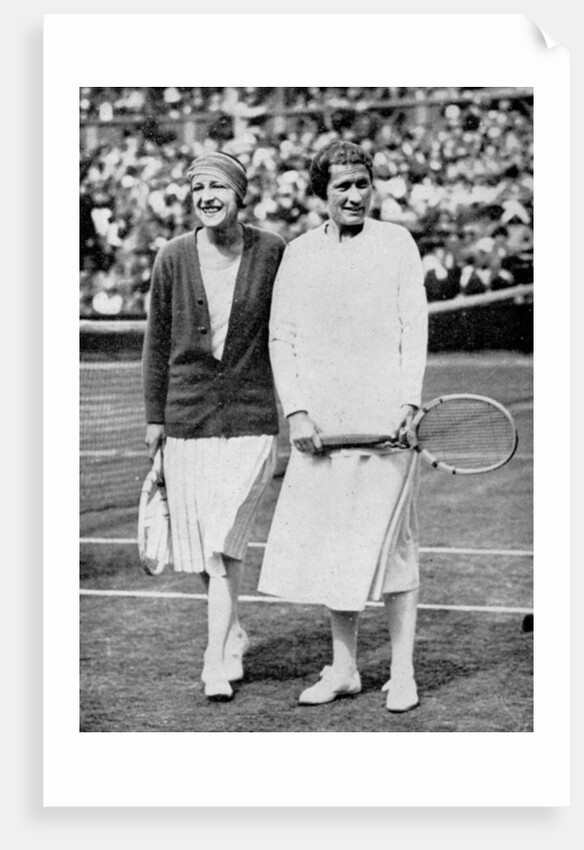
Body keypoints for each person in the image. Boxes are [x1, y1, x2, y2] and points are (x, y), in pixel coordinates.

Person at [259, 140, 428, 712]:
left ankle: (402, 673)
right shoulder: (301, 254)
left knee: (394, 550)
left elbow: (414, 325)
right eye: (342, 187)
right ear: (322, 195)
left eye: (362, 184)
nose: (354, 196)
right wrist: (297, 410)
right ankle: (346, 667)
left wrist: (409, 400)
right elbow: (282, 336)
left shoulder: (397, 242)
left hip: (388, 424)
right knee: (336, 549)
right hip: (323, 428)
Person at [142, 151, 286, 701]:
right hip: (187, 419)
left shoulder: (272, 251)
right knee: (209, 547)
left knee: (223, 540)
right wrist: (155, 417)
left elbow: (292, 327)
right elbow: (156, 344)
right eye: (198, 186)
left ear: (239, 194)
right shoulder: (172, 257)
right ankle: (232, 632)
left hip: (251, 419)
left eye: (218, 186)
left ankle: (213, 661)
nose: (207, 196)